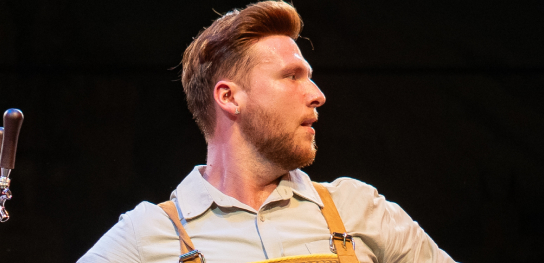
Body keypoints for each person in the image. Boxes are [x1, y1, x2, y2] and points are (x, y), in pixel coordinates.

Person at [78, 1, 453, 263]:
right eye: (291, 77)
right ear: (229, 97)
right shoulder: (149, 234)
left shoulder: (360, 211)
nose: (318, 95)